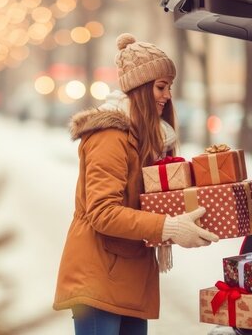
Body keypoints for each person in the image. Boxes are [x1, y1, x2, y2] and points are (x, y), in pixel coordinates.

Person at [53, 33, 220, 335]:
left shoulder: (150, 142)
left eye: (169, 86)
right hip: (100, 276)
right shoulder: (110, 137)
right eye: (160, 86)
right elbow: (103, 212)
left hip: (130, 274)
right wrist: (168, 226)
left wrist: (189, 216)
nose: (167, 94)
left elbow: (149, 206)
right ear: (139, 88)